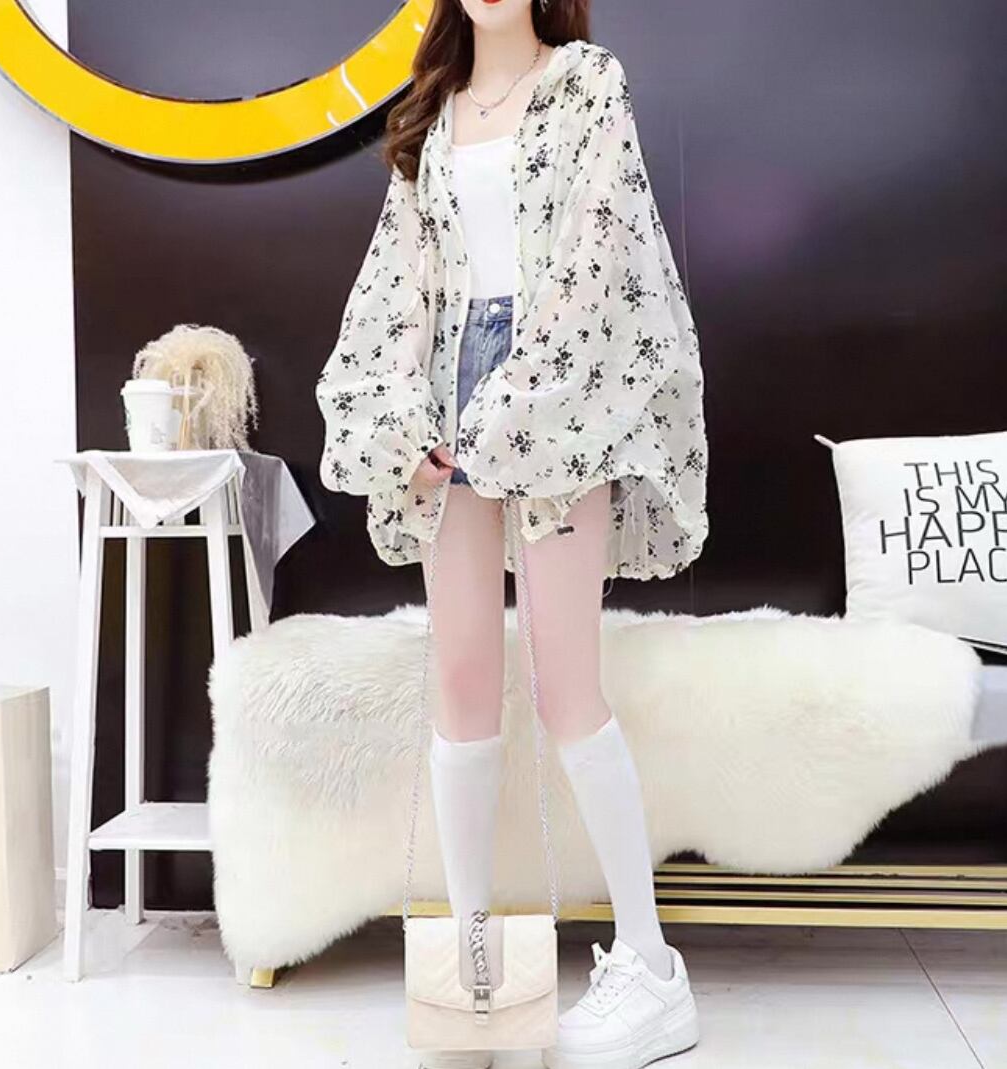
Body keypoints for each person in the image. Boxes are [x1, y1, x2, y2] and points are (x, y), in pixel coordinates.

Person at [315, 1, 709, 1066]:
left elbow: (597, 264)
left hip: (558, 394)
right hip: (449, 389)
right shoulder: (433, 108)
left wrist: (513, 405)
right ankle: (475, 962)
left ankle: (652, 968)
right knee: (459, 682)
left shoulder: (585, 83)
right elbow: (394, 285)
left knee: (564, 683)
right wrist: (399, 421)